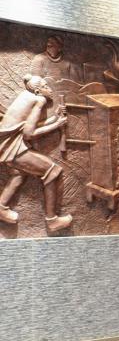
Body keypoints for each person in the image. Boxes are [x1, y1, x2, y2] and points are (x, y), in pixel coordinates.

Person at [0, 75, 72, 231]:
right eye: (46, 86)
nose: (50, 89)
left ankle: (1, 207)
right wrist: (56, 125)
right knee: (52, 170)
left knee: (19, 174)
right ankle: (52, 220)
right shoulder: (40, 100)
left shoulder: (26, 96)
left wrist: (54, 118)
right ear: (38, 91)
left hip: (6, 145)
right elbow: (29, 134)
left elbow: (28, 125)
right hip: (12, 147)